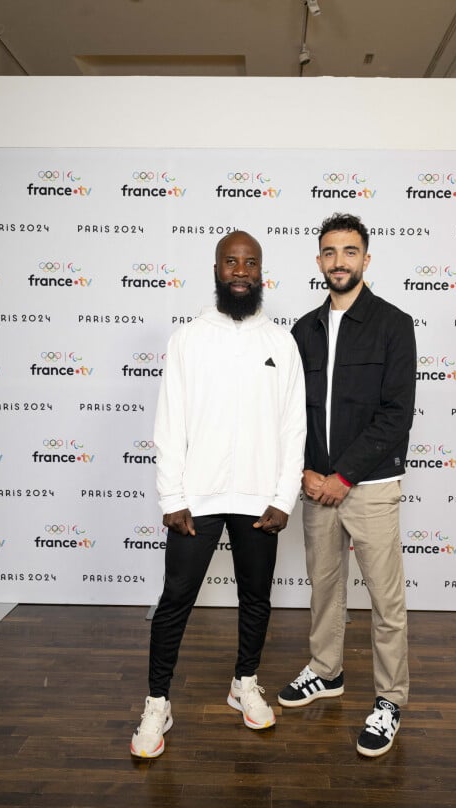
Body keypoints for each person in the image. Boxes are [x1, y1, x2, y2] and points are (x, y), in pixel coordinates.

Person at [131, 230, 306, 759]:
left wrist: (282, 497)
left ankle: (244, 682)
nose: (240, 271)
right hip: (197, 498)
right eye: (231, 262)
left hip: (259, 498)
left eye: (249, 263)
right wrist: (172, 497)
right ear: (215, 268)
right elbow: (170, 422)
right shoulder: (188, 338)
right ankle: (157, 701)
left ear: (261, 272)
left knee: (255, 598)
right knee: (174, 602)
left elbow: (292, 427)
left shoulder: (281, 341)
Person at [278, 213, 416, 758]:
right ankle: (326, 671)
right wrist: (305, 473)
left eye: (350, 251)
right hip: (316, 487)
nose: (340, 261)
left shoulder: (393, 323)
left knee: (386, 602)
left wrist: (344, 476)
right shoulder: (303, 329)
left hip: (371, 486)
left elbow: (395, 415)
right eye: (330, 252)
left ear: (366, 258)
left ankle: (390, 699)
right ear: (318, 261)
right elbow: (291, 413)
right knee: (325, 589)